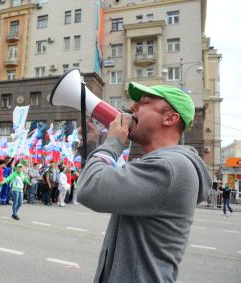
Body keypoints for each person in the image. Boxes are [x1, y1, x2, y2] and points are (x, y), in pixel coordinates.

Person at [76, 82, 212, 282]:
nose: (133, 108)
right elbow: (106, 180)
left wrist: (113, 142)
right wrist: (93, 144)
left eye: (144, 103)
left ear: (170, 118)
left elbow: (90, 189)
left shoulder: (170, 168)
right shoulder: (162, 165)